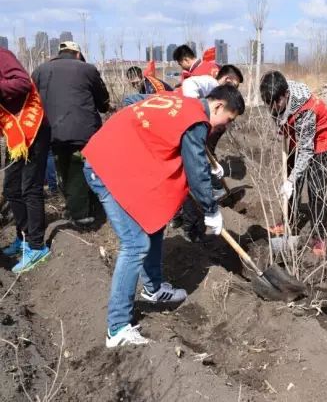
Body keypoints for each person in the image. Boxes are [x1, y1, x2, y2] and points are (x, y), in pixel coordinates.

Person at [82, 85, 245, 347]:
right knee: (136, 244)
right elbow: (195, 172)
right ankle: (118, 328)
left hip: (117, 160)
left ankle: (153, 288)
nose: (224, 126)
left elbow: (132, 99)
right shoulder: (197, 121)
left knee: (154, 220)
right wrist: (212, 211)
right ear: (217, 107)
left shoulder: (183, 102)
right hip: (105, 169)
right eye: (228, 120)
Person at [31, 41, 110, 226]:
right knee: (79, 169)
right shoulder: (87, 69)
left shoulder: (40, 70)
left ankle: (73, 207)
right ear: (77, 54)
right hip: (83, 131)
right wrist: (105, 106)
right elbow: (103, 102)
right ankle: (82, 215)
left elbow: (32, 101)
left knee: (63, 168)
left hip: (51, 131)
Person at [260, 71, 327, 257]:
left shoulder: (306, 109)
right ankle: (289, 222)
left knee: (315, 189)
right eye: (268, 104)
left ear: (285, 95)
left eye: (275, 103)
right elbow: (277, 113)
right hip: (298, 134)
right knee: (292, 182)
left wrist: (291, 180)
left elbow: (307, 150)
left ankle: (318, 236)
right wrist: (280, 126)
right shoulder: (276, 95)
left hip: (320, 138)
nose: (272, 107)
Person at [177, 64, 244, 242]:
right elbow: (189, 84)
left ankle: (186, 222)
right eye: (229, 119)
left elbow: (204, 147)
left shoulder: (212, 114)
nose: (228, 125)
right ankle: (189, 226)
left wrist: (212, 163)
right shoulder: (209, 86)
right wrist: (211, 209)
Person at [0, 48, 51, 273]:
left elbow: (22, 82)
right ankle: (23, 236)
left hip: (32, 127)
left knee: (30, 187)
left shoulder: (1, 55)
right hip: (14, 133)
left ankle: (37, 246)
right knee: (11, 188)